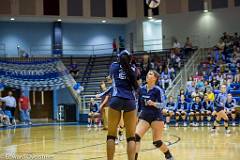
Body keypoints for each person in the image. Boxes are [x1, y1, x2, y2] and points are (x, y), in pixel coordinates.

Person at [107, 50, 139, 160]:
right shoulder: (134, 69)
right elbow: (136, 82)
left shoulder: (114, 66)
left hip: (116, 99)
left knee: (111, 135)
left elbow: (109, 78)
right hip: (130, 100)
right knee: (131, 137)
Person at [135, 70, 174, 160]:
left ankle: (168, 155)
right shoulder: (141, 89)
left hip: (156, 117)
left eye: (150, 74)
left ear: (155, 78)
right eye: (148, 73)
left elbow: (163, 104)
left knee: (157, 142)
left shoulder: (158, 90)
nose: (148, 75)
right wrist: (136, 116)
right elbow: (139, 105)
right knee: (136, 137)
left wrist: (153, 103)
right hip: (144, 116)